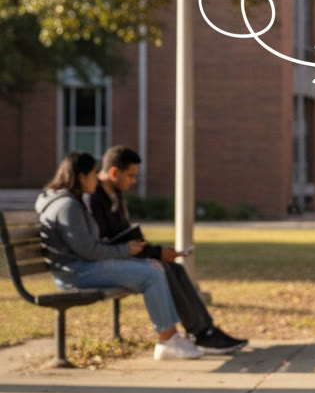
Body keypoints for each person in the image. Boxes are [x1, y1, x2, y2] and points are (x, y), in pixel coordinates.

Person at [36, 151, 203, 360]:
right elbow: (88, 250)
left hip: (80, 268)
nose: (97, 179)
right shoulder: (67, 206)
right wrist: (125, 251)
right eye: (94, 173)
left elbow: (88, 248)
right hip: (76, 273)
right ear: (81, 176)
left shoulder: (70, 202)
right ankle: (168, 340)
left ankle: (170, 337)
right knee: (151, 274)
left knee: (153, 268)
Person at [83, 145, 247, 355]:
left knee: (173, 267)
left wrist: (156, 250)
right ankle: (191, 335)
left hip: (122, 256)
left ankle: (205, 331)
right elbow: (106, 244)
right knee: (162, 268)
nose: (133, 181)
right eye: (131, 176)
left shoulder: (115, 195)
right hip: (107, 264)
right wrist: (155, 253)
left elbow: (123, 236)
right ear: (114, 172)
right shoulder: (93, 199)